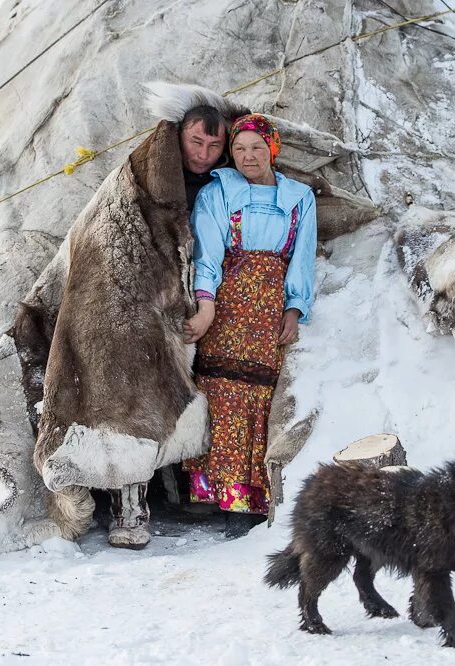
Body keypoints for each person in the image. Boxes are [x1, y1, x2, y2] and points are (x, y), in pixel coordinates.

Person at [182, 113, 317, 539]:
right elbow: (206, 255)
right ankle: (216, 496)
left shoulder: (298, 198)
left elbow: (303, 256)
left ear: (272, 150)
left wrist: (294, 310)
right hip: (226, 303)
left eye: (257, 148)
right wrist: (205, 308)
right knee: (220, 393)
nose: (247, 157)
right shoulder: (218, 191)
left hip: (268, 308)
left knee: (258, 396)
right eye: (239, 149)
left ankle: (251, 497)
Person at [179, 104, 229, 211]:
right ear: (179, 137)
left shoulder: (231, 182)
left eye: (214, 145)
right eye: (197, 142)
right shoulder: (152, 181)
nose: (203, 155)